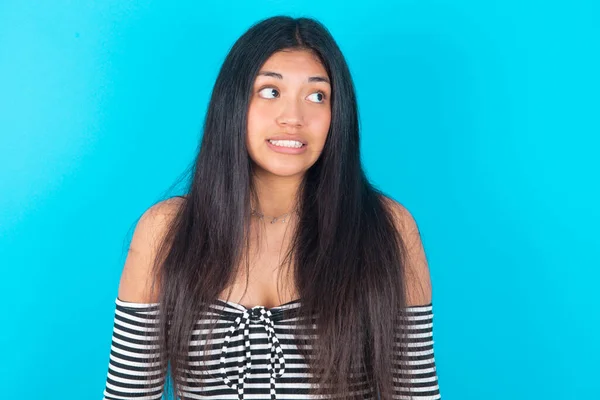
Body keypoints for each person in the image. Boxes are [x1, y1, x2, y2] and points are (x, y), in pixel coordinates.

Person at [102, 15, 441, 400]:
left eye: (317, 96)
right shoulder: (166, 230)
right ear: (233, 104)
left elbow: (415, 394)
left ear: (337, 115)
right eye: (269, 91)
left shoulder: (388, 229)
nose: (293, 118)